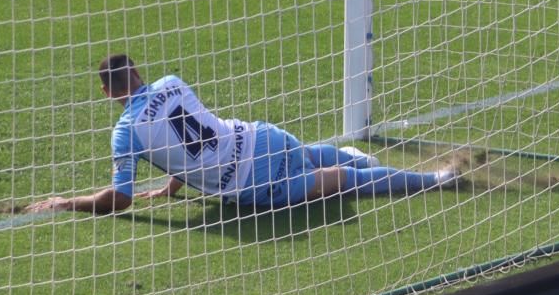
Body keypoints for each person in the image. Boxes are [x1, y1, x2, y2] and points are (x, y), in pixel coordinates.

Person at [25, 54, 457, 214]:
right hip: (261, 136)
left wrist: (66, 202)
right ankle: (358, 157)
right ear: (139, 73)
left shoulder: (125, 135)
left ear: (106, 93)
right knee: (307, 154)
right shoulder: (172, 82)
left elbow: (119, 199)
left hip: (254, 183)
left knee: (342, 186)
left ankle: (434, 180)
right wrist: (175, 185)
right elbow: (191, 131)